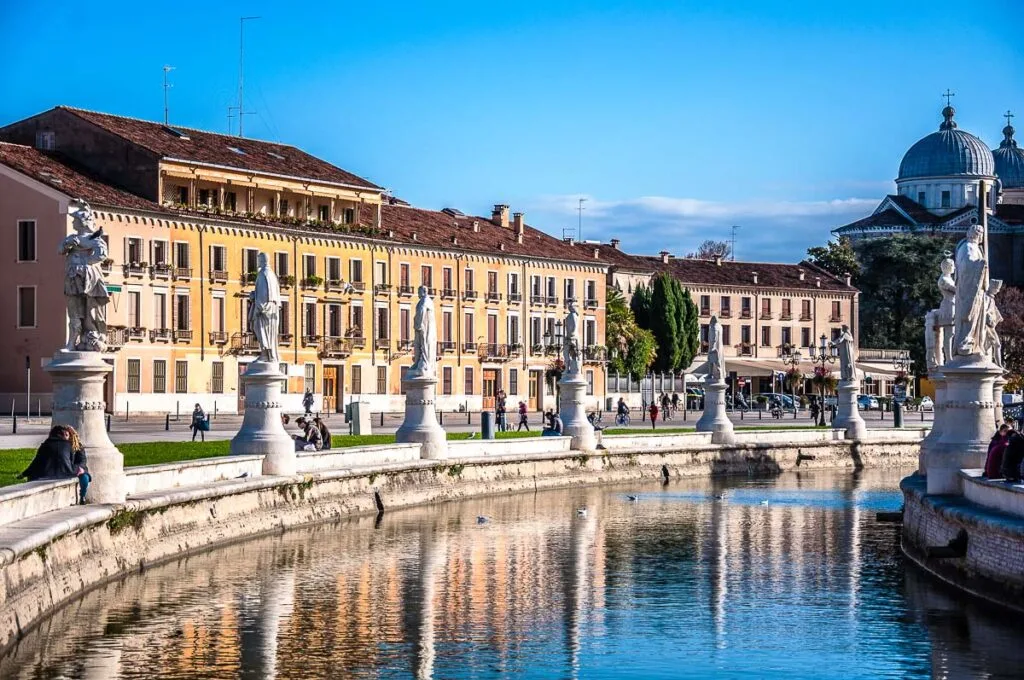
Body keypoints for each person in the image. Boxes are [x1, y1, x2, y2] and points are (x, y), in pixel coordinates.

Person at [20, 425, 91, 504]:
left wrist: (78, 468)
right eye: (63, 435)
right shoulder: (57, 445)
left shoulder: (78, 447)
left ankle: (82, 496)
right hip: (62, 470)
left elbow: (82, 461)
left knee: (85, 476)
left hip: (74, 469)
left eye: (67, 435)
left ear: (72, 436)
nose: (64, 437)